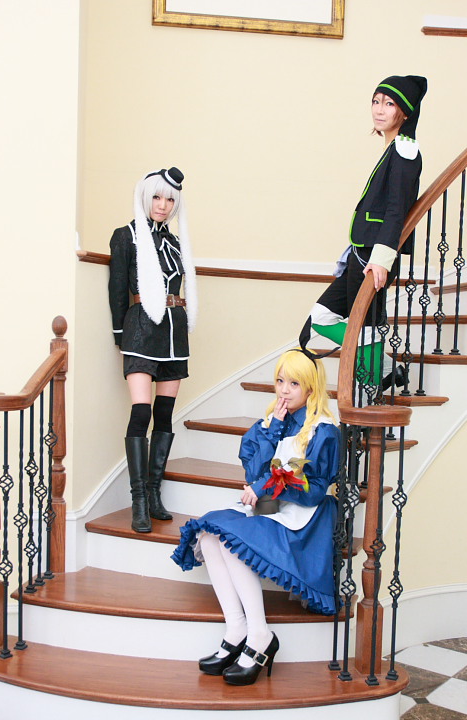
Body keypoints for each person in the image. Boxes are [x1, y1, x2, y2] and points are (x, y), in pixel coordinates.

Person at [171, 349, 340, 685]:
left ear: (311, 387)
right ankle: (237, 628)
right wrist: (273, 430)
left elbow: (313, 489)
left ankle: (260, 634)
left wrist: (265, 486)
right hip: (273, 506)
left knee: (232, 541)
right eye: (280, 381)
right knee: (210, 534)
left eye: (294, 383)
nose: (284, 390)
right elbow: (254, 471)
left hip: (304, 515)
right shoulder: (273, 422)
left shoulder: (323, 430)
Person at [300, 75, 428, 388]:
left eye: (389, 104)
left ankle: (371, 394)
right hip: (361, 253)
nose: (379, 109)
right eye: (376, 101)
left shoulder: (405, 151)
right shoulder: (392, 149)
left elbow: (397, 210)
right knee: (321, 318)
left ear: (405, 113)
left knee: (366, 327)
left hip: (374, 256)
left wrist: (382, 259)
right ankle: (387, 369)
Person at [108, 167, 197, 533]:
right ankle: (139, 501)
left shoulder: (175, 243)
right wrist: (121, 335)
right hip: (141, 330)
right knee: (141, 412)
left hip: (174, 334)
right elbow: (117, 290)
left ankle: (154, 493)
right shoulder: (126, 236)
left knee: (164, 414)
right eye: (157, 197)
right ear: (145, 197)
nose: (163, 205)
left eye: (170, 199)